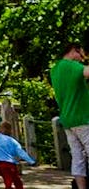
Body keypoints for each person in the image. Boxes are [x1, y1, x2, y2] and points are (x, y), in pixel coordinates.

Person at [52, 42, 89, 189]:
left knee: (78, 158)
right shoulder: (71, 66)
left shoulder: (55, 70)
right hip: (82, 118)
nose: (82, 60)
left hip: (67, 120)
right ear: (74, 51)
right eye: (82, 55)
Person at [0, 121, 35, 189]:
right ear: (10, 130)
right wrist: (31, 161)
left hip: (1, 163)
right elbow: (21, 153)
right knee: (16, 179)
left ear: (2, 129)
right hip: (11, 164)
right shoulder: (14, 141)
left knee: (7, 179)